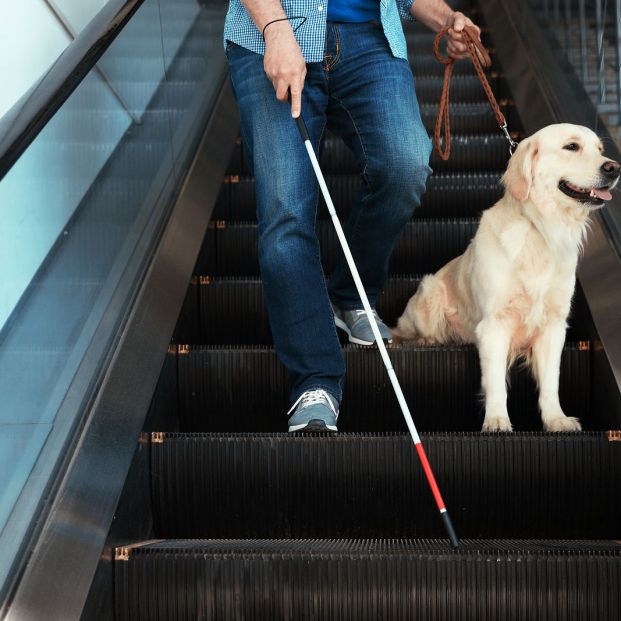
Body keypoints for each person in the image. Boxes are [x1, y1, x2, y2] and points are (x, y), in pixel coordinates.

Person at [223, 0, 481, 432]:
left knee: (405, 166)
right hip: (274, 29)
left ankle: (350, 293)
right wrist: (275, 30)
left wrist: (447, 19)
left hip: (370, 38)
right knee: (285, 209)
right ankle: (315, 378)